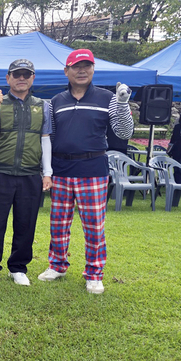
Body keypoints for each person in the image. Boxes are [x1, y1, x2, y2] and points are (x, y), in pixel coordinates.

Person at [38, 49, 133, 294]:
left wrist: (123, 104)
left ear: (93, 69)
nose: (82, 71)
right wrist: (47, 169)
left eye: (86, 66)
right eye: (76, 66)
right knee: (58, 223)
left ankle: (94, 273)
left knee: (93, 226)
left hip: (93, 169)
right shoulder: (56, 101)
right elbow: (51, 137)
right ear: (66, 71)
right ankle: (57, 265)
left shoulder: (108, 98)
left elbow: (123, 132)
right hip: (61, 169)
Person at [0, 59, 52, 286]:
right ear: (8, 78)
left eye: (26, 74)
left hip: (30, 173)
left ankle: (18, 267)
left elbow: (45, 139)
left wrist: (47, 172)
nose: (21, 78)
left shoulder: (43, 106)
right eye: (17, 74)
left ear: (33, 78)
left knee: (26, 223)